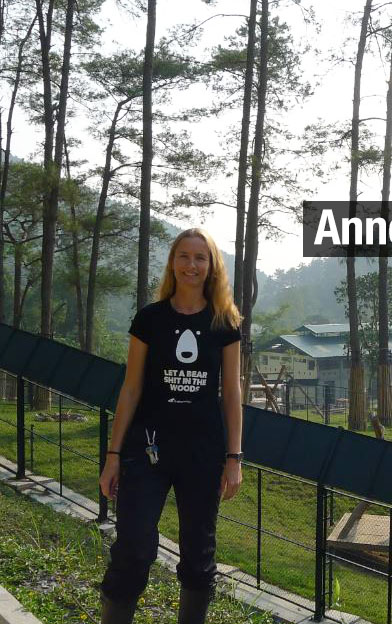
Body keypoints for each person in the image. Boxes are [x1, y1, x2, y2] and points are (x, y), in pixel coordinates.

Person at [98, 228, 243, 624]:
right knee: (134, 547)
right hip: (147, 448)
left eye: (200, 257)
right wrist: (113, 456)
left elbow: (231, 393)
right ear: (173, 262)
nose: (191, 265)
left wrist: (234, 457)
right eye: (184, 256)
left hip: (203, 452)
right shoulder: (150, 319)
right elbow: (130, 389)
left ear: (211, 266)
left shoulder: (224, 323)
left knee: (198, 554)